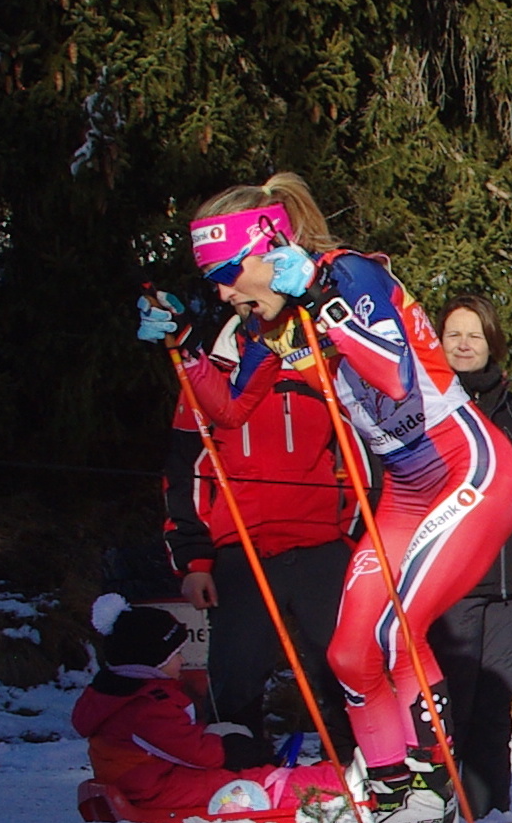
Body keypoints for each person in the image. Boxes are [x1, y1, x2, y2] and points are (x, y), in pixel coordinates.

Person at [174, 173, 512, 823]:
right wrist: (186, 344)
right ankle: (393, 800)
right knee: (349, 651)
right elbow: (229, 407)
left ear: (265, 250)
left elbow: (394, 372)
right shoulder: (273, 326)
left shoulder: (350, 274)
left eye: (223, 273)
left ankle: (431, 798)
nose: (222, 292)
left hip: (466, 467)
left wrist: (320, 300)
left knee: (396, 630)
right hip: (404, 485)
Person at [143, 236, 359, 767]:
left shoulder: (323, 368)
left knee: (346, 669)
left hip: (322, 544)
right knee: (236, 676)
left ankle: (371, 774)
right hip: (241, 547)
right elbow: (184, 473)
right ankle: (237, 775)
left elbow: (359, 453)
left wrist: (356, 532)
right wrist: (194, 561)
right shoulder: (209, 376)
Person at [72, 595, 355, 823]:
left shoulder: (119, 694)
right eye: (175, 655)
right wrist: (235, 749)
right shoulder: (144, 706)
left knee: (248, 772)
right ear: (153, 662)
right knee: (251, 783)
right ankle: (336, 786)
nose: (182, 660)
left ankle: (332, 777)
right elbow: (196, 753)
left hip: (149, 781)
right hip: (158, 790)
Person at [427, 294, 512, 817]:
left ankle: (491, 806)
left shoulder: (508, 401)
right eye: (454, 335)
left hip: (510, 575)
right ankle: (444, 802)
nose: (464, 345)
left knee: (497, 701)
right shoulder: (427, 402)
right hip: (455, 573)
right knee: (455, 699)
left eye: (475, 335)